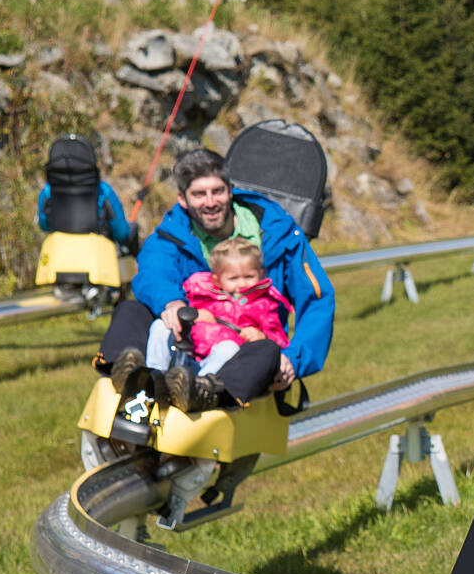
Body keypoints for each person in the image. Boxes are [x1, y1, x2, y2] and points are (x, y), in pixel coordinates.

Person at [97, 148, 333, 411]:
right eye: (199, 194)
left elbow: (317, 300)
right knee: (130, 310)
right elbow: (153, 272)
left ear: (230, 190)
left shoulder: (280, 233)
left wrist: (292, 359)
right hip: (188, 341)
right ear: (183, 199)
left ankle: (205, 393)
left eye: (217, 191)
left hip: (244, 349)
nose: (210, 202)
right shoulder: (171, 235)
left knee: (268, 351)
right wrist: (172, 303)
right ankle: (131, 380)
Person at [144, 237, 293, 411]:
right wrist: (195, 315)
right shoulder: (200, 292)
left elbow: (278, 337)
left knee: (229, 347)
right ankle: (153, 378)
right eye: (233, 278)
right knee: (160, 326)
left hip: (218, 367)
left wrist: (262, 336)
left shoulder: (264, 303)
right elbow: (182, 314)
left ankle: (200, 391)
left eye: (249, 276)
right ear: (217, 279)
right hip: (187, 355)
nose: (242, 283)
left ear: (260, 274)